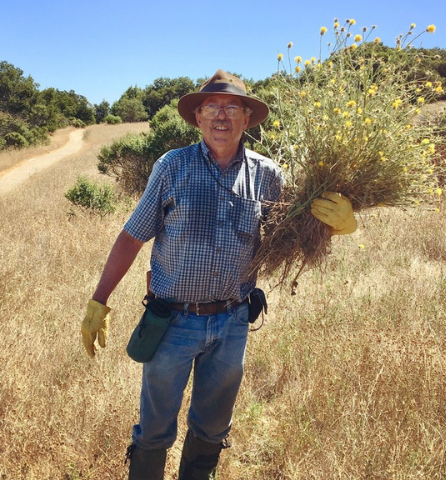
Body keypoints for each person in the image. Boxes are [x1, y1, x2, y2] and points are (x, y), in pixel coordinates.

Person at [81, 69, 357, 479]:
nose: (221, 117)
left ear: (248, 119)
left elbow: (294, 239)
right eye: (212, 108)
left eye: (232, 108)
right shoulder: (172, 166)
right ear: (198, 118)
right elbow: (131, 236)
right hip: (171, 321)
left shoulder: (268, 175)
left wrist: (337, 226)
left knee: (212, 427)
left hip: (232, 322)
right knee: (154, 429)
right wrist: (99, 300)